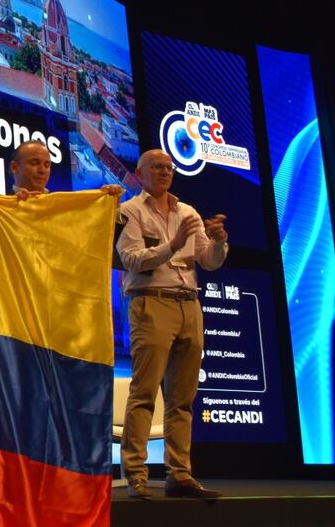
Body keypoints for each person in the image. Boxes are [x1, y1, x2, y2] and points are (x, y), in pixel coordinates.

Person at [116, 149, 228, 500]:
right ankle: (136, 474)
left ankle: (180, 474)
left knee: (183, 399)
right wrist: (173, 244)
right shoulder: (129, 211)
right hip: (151, 303)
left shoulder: (187, 212)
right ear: (140, 173)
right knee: (144, 392)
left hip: (189, 304)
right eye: (157, 167)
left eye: (169, 167)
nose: (165, 172)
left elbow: (209, 261)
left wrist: (219, 242)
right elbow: (131, 259)